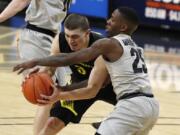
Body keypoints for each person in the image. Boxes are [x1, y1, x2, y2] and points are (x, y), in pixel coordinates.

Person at [13, 7, 159, 135]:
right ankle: (114, 120)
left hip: (118, 96)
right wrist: (42, 77)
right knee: (53, 123)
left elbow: (78, 66)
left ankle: (115, 119)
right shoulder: (134, 46)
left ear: (123, 26)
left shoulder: (106, 44)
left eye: (112, 19)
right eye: (68, 36)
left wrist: (37, 61)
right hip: (148, 105)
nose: (107, 21)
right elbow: (53, 69)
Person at [33, 13, 117, 135]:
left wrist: (60, 94)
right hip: (78, 86)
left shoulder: (100, 46)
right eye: (68, 35)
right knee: (52, 123)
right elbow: (50, 68)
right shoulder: (60, 40)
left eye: (75, 36)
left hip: (108, 86)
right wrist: (39, 77)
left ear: (87, 33)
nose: (71, 41)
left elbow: (93, 88)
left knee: (136, 111)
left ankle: (111, 122)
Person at [0, 0, 71, 135]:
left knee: (58, 94)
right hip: (35, 37)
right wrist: (1, 17)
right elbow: (20, 2)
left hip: (54, 40)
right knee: (46, 93)